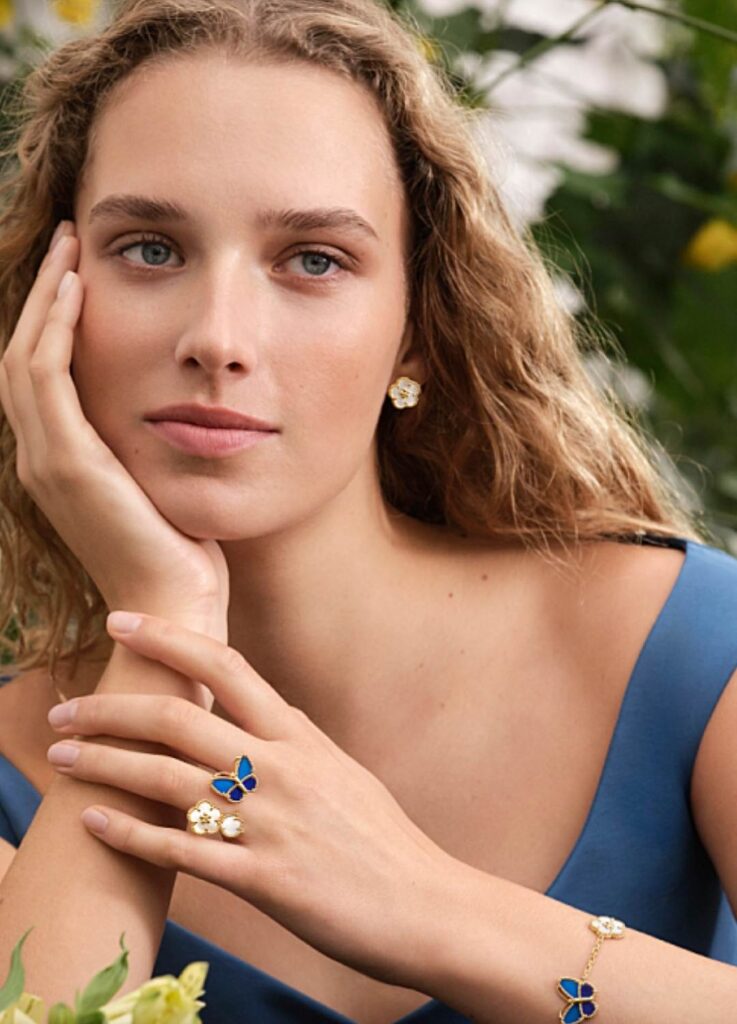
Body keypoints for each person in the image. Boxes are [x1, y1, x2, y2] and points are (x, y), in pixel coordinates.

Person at [0, 0, 735, 1021]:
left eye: (314, 259)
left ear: (416, 327)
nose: (218, 339)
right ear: (52, 300)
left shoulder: (690, 648)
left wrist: (422, 905)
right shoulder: (17, 764)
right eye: (151, 249)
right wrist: (165, 623)